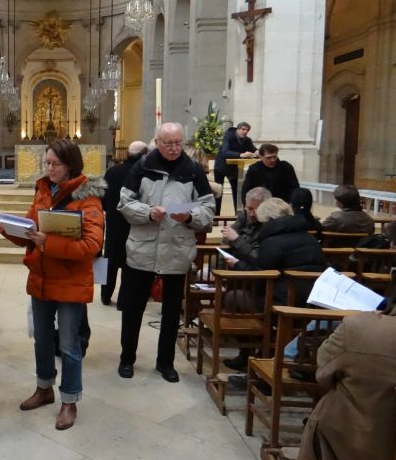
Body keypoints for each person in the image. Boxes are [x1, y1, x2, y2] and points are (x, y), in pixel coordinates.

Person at [0, 139, 105, 431]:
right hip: (41, 279)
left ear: (71, 164)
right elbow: (32, 231)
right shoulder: (43, 190)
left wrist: (49, 243)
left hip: (70, 282)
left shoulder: (88, 198)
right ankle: (44, 388)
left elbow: (92, 245)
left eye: (56, 164)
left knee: (68, 344)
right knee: (42, 339)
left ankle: (69, 400)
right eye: (47, 163)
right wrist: (11, 231)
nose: (50, 168)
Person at [116, 122, 215, 383]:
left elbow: (207, 209)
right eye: (169, 143)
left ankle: (165, 362)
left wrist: (190, 216)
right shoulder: (141, 167)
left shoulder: (193, 170)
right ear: (157, 142)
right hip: (143, 248)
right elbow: (124, 203)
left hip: (176, 249)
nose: (174, 148)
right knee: (133, 309)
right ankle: (127, 358)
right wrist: (148, 212)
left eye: (178, 143)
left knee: (171, 312)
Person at [289, 306, 396, 460]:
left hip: (368, 450)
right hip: (381, 451)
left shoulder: (360, 328)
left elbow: (323, 375)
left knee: (331, 406)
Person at [223, 197, 326, 373]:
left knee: (233, 297)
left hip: (280, 300)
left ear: (268, 221)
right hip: (310, 301)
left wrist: (238, 264)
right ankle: (262, 349)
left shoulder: (273, 241)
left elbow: (260, 274)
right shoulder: (309, 238)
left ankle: (250, 353)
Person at [100, 140, 148, 307]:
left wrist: (110, 211)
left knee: (109, 261)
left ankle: (105, 296)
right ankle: (123, 301)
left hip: (113, 223)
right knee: (129, 264)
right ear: (144, 155)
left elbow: (102, 198)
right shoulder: (143, 174)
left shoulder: (111, 171)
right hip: (133, 225)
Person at [214, 122, 257, 214]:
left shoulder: (247, 140)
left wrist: (257, 153)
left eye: (247, 130)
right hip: (221, 167)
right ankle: (216, 216)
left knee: (237, 192)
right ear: (237, 129)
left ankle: (238, 215)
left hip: (234, 168)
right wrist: (241, 155)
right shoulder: (229, 136)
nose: (245, 132)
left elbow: (254, 150)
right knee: (218, 191)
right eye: (243, 129)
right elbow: (225, 152)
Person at [220, 186, 272, 261]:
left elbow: (257, 257)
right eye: (250, 208)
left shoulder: (270, 226)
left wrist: (237, 240)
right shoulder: (243, 218)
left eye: (258, 210)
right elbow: (225, 242)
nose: (252, 214)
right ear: (245, 205)